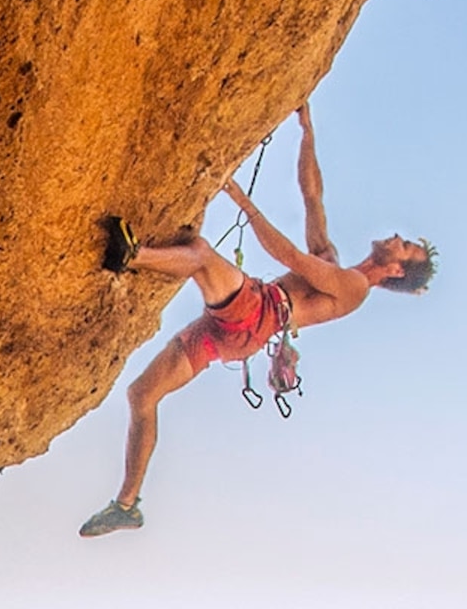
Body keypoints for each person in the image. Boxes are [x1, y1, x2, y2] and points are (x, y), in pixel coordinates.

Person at [80, 105, 434, 536]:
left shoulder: (354, 289)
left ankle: (130, 256)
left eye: (405, 247)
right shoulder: (334, 262)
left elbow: (288, 257)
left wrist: (240, 198)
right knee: (141, 396)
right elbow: (312, 196)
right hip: (235, 331)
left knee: (201, 256)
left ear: (395, 270)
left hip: (257, 314)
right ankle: (127, 505)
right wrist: (307, 130)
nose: (397, 238)